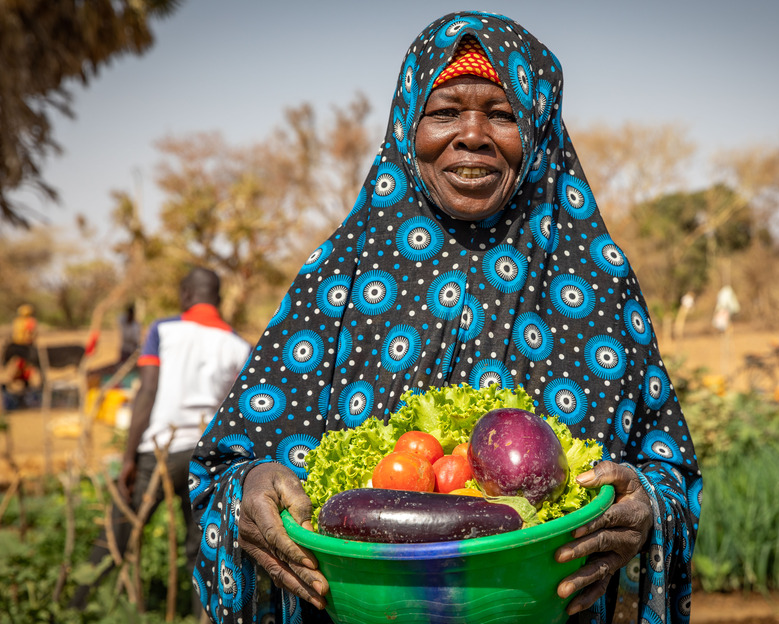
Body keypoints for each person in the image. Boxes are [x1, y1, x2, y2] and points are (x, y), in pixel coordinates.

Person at [190, 12, 701, 624]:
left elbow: (667, 470)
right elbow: (225, 466)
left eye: (503, 114)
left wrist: (647, 509)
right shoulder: (341, 277)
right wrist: (248, 492)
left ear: (539, 128)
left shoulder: (597, 281)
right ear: (408, 126)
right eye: (444, 112)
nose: (473, 134)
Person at [73, 267, 252, 618]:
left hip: (158, 451)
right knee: (199, 550)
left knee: (118, 535)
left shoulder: (163, 330)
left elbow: (148, 390)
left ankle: (73, 608)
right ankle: (200, 615)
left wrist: (129, 457)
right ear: (217, 298)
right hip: (205, 456)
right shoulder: (239, 345)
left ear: (186, 295)